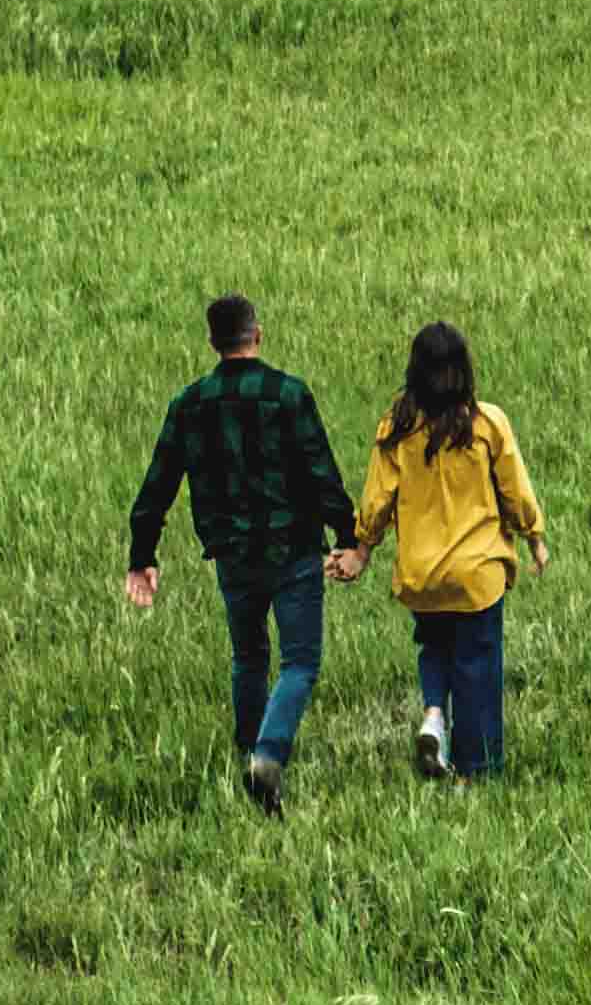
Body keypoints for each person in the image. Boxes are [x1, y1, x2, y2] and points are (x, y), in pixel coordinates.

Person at [121, 293, 357, 816]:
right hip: (293, 549)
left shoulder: (189, 403)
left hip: (232, 555)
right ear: (259, 334)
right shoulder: (288, 394)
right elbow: (322, 473)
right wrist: (349, 535)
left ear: (212, 342)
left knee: (248, 656)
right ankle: (268, 756)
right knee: (300, 661)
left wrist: (143, 554)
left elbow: (157, 484)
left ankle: (248, 751)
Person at [334, 319, 546, 782]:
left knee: (433, 646)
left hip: (422, 573)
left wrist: (362, 548)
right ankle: (476, 769)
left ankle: (434, 715)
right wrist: (534, 536)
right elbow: (515, 490)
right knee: (477, 665)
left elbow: (377, 498)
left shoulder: (396, 429)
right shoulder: (487, 424)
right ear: (465, 371)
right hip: (477, 574)